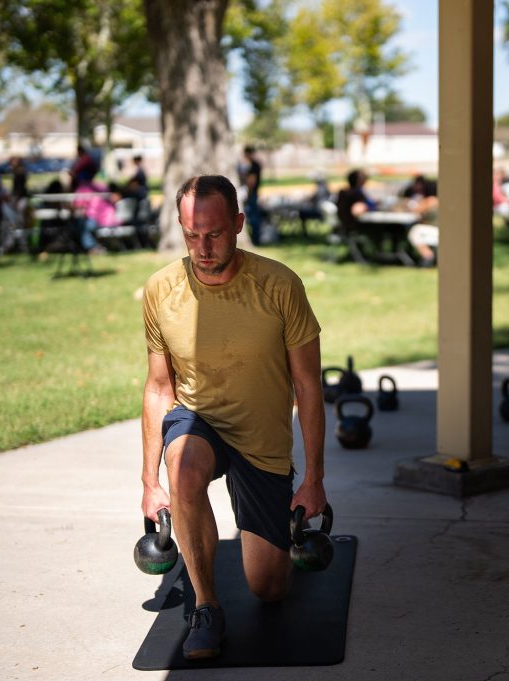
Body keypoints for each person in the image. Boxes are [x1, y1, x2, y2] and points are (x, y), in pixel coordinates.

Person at [140, 175, 326, 660]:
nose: (203, 247)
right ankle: (206, 607)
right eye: (192, 235)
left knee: (268, 587)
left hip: (261, 440)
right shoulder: (162, 289)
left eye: (216, 233)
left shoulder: (279, 284)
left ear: (239, 224)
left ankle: (274, 527)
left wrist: (314, 480)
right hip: (197, 418)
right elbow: (160, 386)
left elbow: (307, 385)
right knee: (182, 471)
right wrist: (148, 481)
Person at [240, 145, 263, 244]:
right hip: (252, 193)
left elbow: (252, 181)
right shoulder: (253, 165)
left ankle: (256, 239)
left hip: (251, 194)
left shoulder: (254, 165)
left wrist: (248, 194)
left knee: (253, 217)